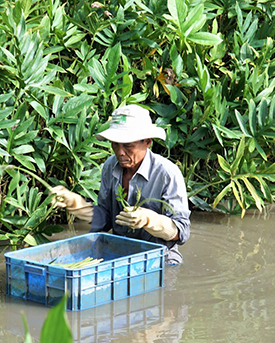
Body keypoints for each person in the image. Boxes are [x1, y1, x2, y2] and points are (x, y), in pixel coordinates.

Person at [50, 105, 191, 264]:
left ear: (147, 142)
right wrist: (77, 205)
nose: (120, 152)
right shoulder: (110, 166)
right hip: (120, 253)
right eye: (115, 144)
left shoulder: (167, 173)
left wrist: (148, 220)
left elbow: (181, 232)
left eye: (127, 145)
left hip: (159, 260)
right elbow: (106, 220)